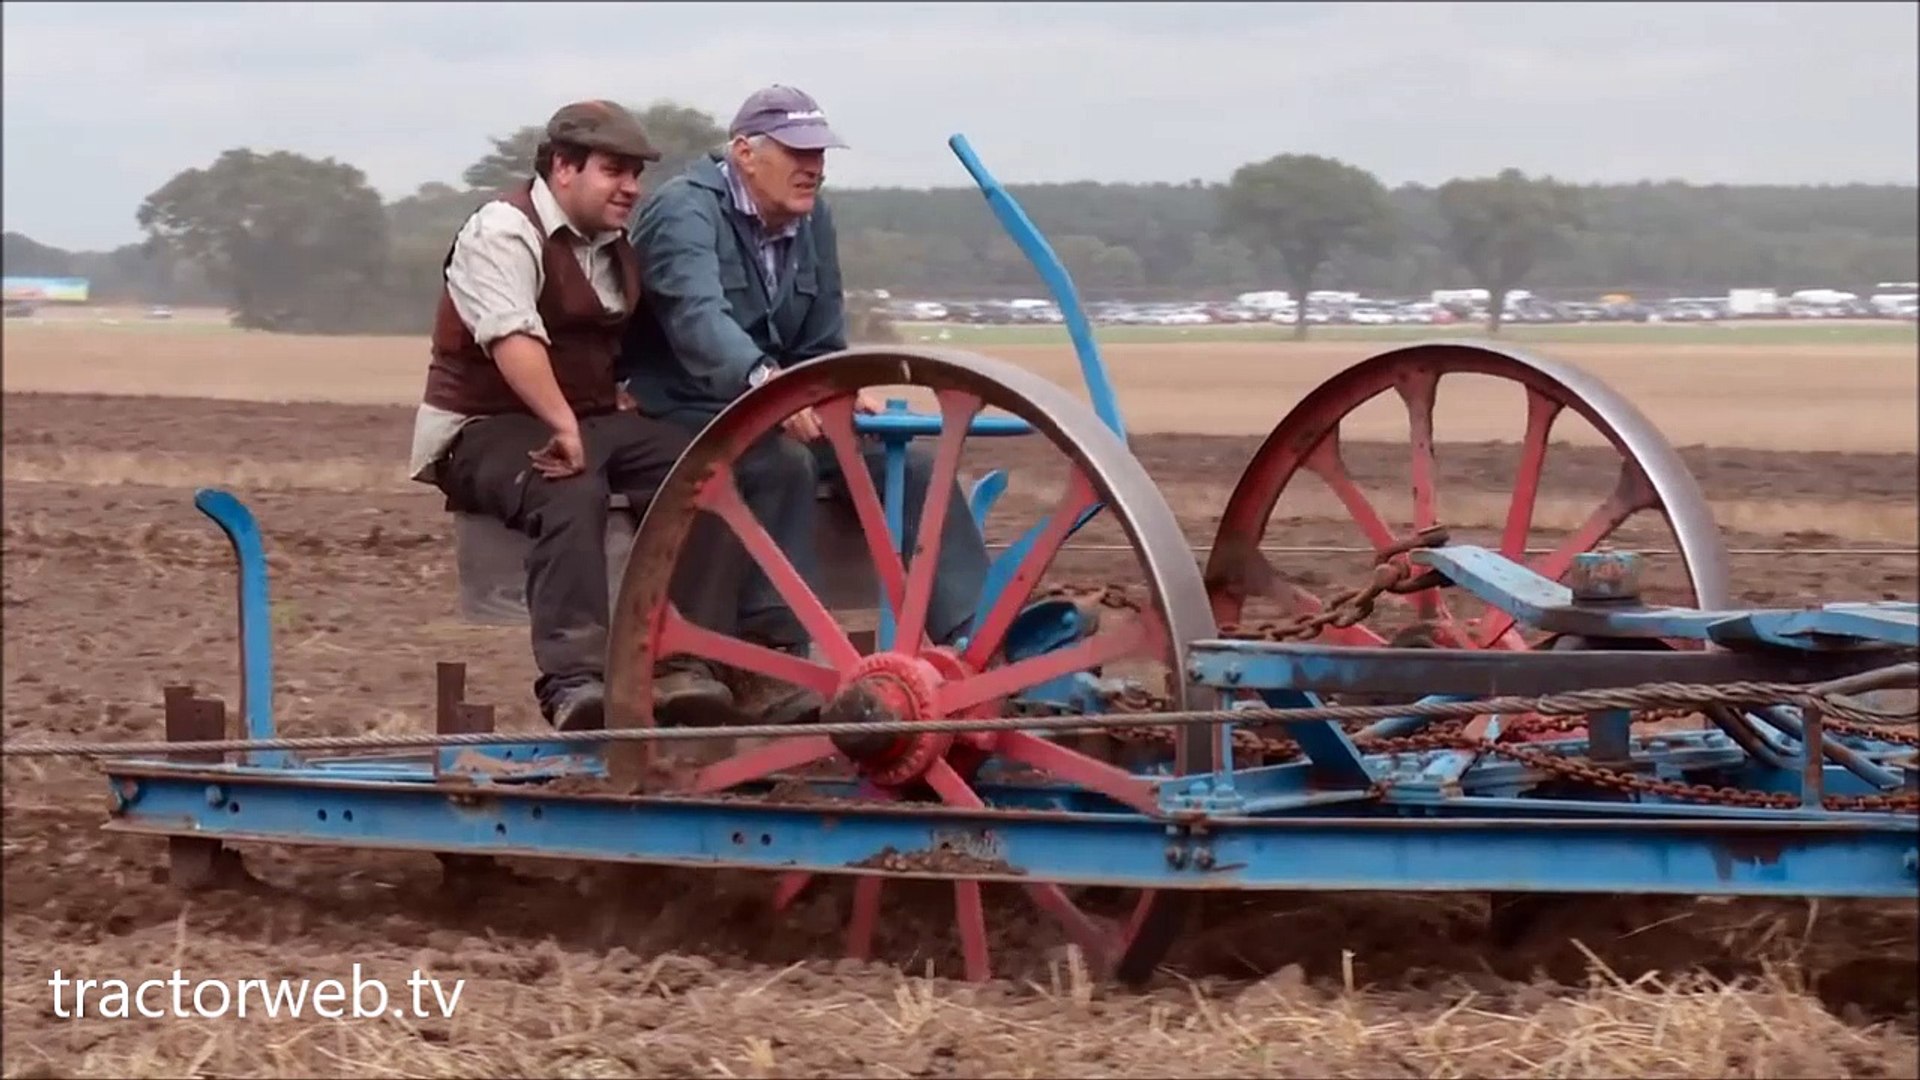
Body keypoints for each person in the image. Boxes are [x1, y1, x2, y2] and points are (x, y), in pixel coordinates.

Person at [407, 100, 811, 732]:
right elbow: (513, 339)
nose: (631, 188)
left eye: (636, 174)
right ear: (563, 168)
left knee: (707, 472)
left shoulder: (614, 245)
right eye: (614, 171)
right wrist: (565, 425)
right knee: (567, 480)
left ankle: (684, 662)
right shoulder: (501, 232)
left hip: (591, 417)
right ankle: (574, 679)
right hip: (485, 428)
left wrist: (622, 396)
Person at [619, 85, 991, 672]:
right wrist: (766, 381)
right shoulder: (684, 212)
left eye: (819, 154)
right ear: (744, 152)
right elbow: (697, 321)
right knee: (780, 464)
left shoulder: (813, 219)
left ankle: (980, 640)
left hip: (779, 405)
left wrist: (838, 385)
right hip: (686, 407)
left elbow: (819, 340)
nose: (813, 169)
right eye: (798, 153)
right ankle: (773, 652)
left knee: (908, 467)